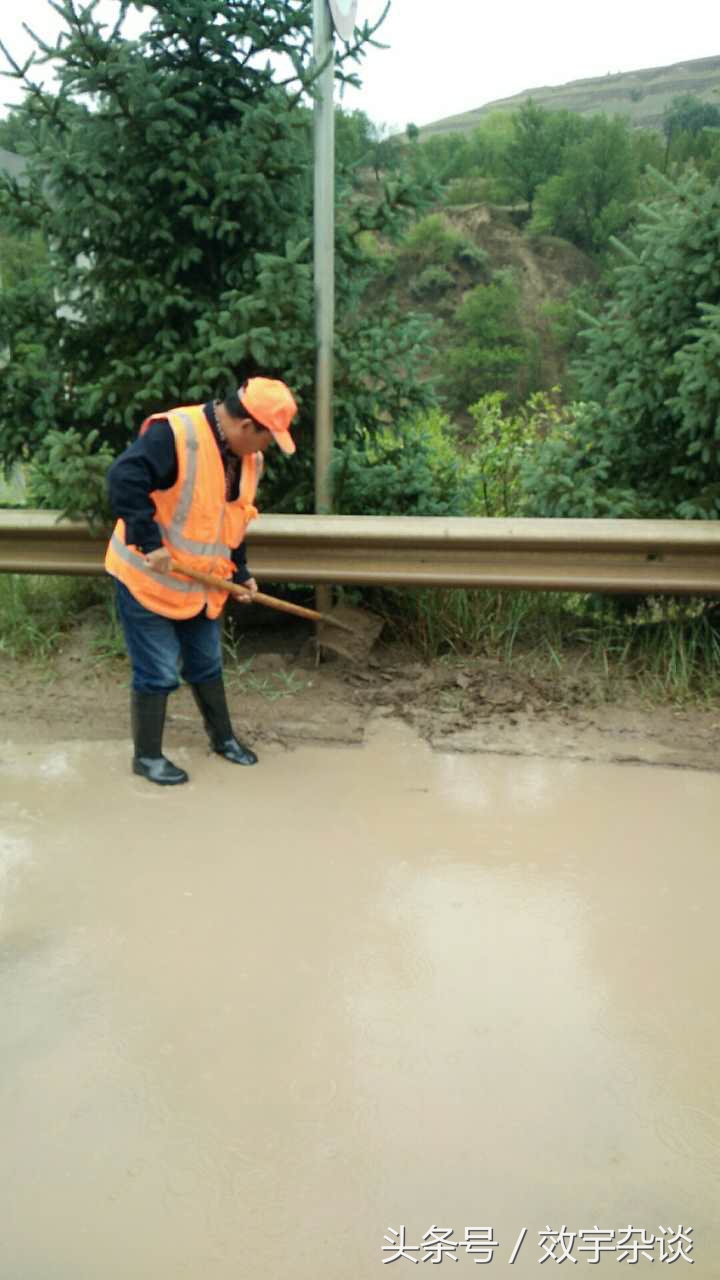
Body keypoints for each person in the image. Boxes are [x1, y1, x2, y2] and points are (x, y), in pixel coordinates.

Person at [105, 377, 298, 786]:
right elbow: (123, 478)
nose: (266, 449)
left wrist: (241, 573)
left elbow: (233, 520)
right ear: (247, 426)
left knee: (206, 663)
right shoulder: (177, 434)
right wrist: (147, 540)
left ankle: (222, 739)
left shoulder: (247, 459)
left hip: (201, 584)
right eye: (267, 438)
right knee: (157, 671)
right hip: (148, 578)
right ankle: (148, 758)